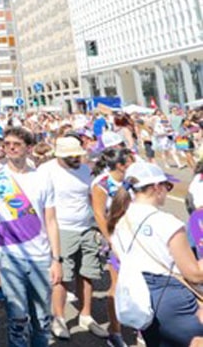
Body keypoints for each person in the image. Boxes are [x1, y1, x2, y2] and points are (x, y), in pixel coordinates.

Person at [0, 126, 62, 347]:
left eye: (17, 144)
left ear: (29, 148)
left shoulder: (42, 178)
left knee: (42, 320)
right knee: (17, 319)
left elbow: (51, 220)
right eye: (7, 144)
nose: (11, 148)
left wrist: (56, 259)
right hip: (9, 257)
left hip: (41, 257)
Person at [109, 161, 203, 346]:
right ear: (157, 187)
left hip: (140, 296)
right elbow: (194, 274)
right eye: (167, 186)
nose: (167, 191)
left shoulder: (120, 219)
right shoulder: (167, 222)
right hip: (172, 297)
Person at [38, 135, 108, 339]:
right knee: (61, 276)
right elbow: (39, 203)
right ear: (59, 156)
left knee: (87, 272)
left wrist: (99, 225)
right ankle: (59, 318)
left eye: (78, 155)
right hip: (62, 229)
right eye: (71, 156)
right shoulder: (46, 171)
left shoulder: (86, 170)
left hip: (87, 228)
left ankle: (86, 314)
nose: (76, 159)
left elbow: (91, 198)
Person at [91, 143, 136, 347]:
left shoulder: (133, 180)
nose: (134, 163)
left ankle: (139, 325)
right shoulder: (101, 185)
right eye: (130, 161)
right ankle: (115, 331)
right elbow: (99, 215)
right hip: (116, 238)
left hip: (136, 237)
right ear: (120, 165)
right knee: (117, 285)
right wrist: (111, 240)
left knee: (140, 283)